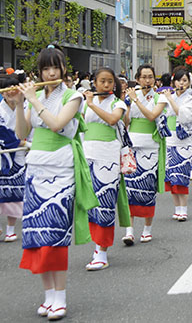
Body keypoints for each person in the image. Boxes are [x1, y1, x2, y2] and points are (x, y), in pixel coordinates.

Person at [14, 46, 97, 320]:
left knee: (55, 235)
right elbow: (22, 133)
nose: (50, 73)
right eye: (45, 68)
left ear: (63, 69)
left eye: (55, 67)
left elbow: (56, 124)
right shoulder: (34, 95)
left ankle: (60, 296)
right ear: (39, 71)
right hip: (36, 169)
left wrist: (33, 101)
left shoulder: (73, 97)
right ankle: (48, 295)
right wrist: (18, 103)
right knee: (37, 236)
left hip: (61, 170)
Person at [82, 67, 128, 271]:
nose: (106, 85)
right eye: (102, 81)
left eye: (110, 81)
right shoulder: (84, 103)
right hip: (87, 154)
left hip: (108, 156)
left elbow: (112, 120)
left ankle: (102, 250)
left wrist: (91, 104)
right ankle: (96, 246)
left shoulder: (118, 103)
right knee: (90, 202)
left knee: (105, 201)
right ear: (94, 83)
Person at [123, 65, 167, 242]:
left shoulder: (160, 97)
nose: (147, 80)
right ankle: (129, 230)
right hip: (132, 145)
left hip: (150, 147)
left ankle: (147, 228)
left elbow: (151, 116)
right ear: (138, 79)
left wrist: (137, 101)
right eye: (144, 77)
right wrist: (127, 104)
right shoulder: (130, 97)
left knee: (147, 188)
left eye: (150, 77)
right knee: (129, 189)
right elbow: (126, 121)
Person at [0, 72, 27, 244]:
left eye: (14, 90)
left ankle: (10, 229)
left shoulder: (24, 107)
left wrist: (24, 143)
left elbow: (29, 128)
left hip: (17, 157)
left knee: (13, 194)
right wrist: (18, 142)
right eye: (7, 90)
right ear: (2, 92)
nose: (10, 93)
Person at [162, 68, 192, 219]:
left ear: (188, 83)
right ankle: (176, 208)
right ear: (173, 82)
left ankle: (184, 209)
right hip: (169, 140)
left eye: (184, 81)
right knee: (171, 178)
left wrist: (170, 100)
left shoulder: (191, 99)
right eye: (179, 80)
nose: (181, 83)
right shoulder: (168, 97)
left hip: (183, 141)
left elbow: (184, 116)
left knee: (182, 176)